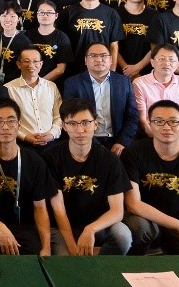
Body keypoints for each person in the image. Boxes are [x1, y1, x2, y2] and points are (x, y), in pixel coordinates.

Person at [123, 100, 179, 256]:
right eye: (158, 121)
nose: (166, 127)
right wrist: (178, 225)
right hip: (147, 221)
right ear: (149, 124)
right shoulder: (133, 153)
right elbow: (133, 204)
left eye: (173, 122)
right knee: (138, 226)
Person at [45, 98, 133, 255]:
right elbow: (58, 208)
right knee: (65, 260)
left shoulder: (110, 160)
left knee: (123, 236)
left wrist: (91, 229)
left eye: (86, 123)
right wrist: (72, 247)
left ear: (95, 124)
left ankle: (102, 267)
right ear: (64, 126)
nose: (80, 130)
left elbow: (117, 211)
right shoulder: (51, 157)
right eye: (73, 123)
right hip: (62, 226)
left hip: (98, 225)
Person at [0, 98, 53, 255]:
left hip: (21, 226)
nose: (5, 127)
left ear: (19, 125)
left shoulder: (34, 162)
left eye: (11, 121)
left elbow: (40, 207)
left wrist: (46, 247)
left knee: (34, 253)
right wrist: (0, 227)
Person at [63, 42, 140, 154]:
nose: (99, 59)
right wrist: (94, 145)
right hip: (87, 141)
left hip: (118, 140)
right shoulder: (73, 84)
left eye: (103, 55)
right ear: (85, 60)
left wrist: (122, 142)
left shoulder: (123, 82)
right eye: (93, 56)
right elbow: (70, 118)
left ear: (111, 60)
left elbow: (133, 116)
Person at [59, 0, 123, 75]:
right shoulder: (67, 13)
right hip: (73, 71)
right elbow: (62, 45)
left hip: (102, 70)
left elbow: (114, 46)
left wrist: (111, 73)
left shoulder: (111, 14)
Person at [4, 47, 63, 148]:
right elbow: (7, 121)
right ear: (19, 64)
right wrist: (24, 137)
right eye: (26, 61)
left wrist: (52, 134)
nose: (31, 65)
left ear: (41, 64)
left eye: (35, 61)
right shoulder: (8, 89)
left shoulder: (51, 86)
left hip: (52, 144)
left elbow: (59, 116)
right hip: (22, 145)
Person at [0, 1, 34, 82]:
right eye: (4, 16)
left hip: (15, 83)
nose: (8, 20)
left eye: (12, 16)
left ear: (19, 19)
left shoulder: (25, 42)